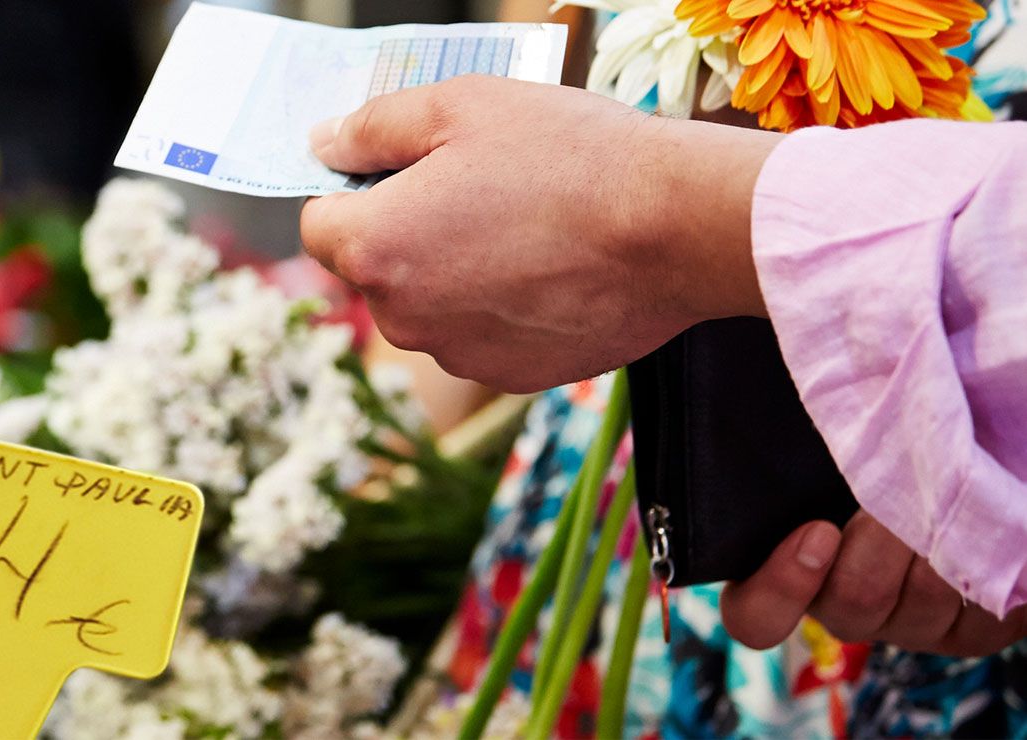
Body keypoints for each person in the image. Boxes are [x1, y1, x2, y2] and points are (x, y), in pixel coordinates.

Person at [299, 75, 1027, 659]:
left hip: (900, 535)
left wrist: (1001, 432)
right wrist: (386, 448)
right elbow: (521, 79)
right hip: (588, 473)